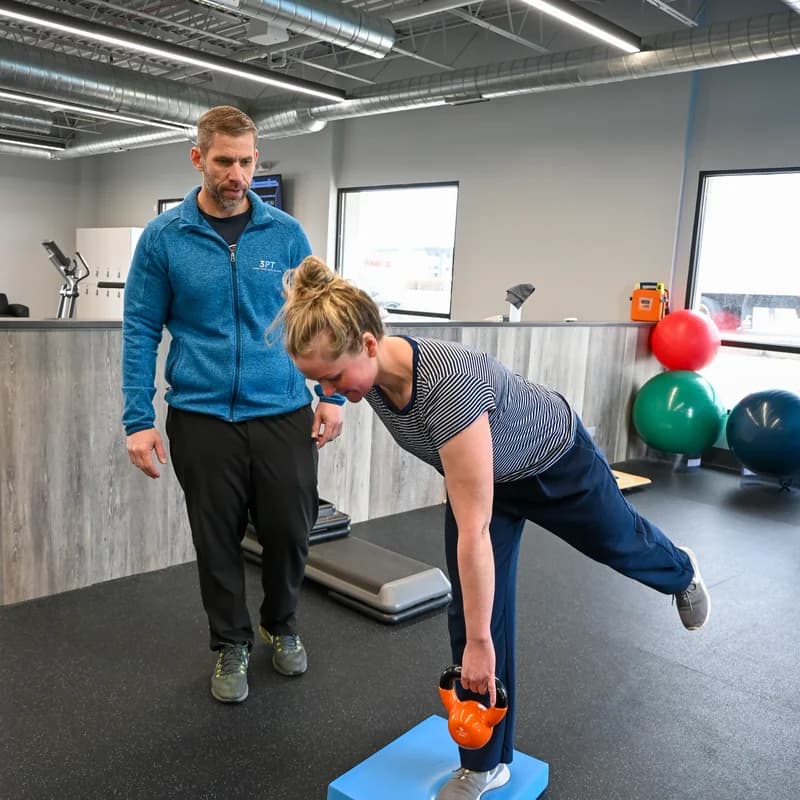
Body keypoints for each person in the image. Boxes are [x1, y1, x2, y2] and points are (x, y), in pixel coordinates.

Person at [277, 256, 711, 800]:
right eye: (317, 381)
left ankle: (680, 572)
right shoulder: (372, 371)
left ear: (367, 344)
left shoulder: (446, 389)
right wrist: (335, 396)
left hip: (554, 459)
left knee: (617, 542)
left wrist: (482, 645)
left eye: (333, 378)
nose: (328, 388)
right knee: (473, 609)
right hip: (488, 477)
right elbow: (471, 509)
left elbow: (473, 532)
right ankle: (484, 764)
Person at [122, 106, 344, 705]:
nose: (237, 173)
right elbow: (141, 328)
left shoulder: (286, 234)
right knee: (215, 539)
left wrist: (330, 394)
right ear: (198, 158)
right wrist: (138, 420)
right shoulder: (164, 238)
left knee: (291, 531)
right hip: (202, 415)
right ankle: (231, 644)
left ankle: (282, 622)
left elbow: (317, 320)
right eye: (225, 161)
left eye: (247, 161)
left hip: (281, 409)